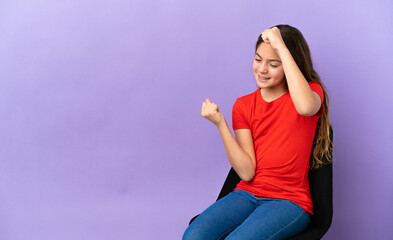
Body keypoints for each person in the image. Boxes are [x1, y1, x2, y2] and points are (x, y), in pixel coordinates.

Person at [182, 24, 333, 240]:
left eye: (273, 64)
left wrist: (280, 44)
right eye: (258, 59)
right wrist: (221, 124)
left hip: (289, 201)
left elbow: (306, 107)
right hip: (247, 194)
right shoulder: (243, 105)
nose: (262, 69)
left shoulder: (310, 93)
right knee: (193, 236)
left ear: (290, 64)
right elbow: (246, 172)